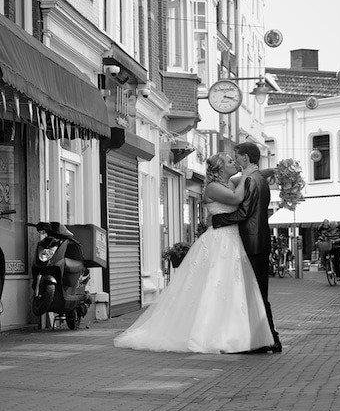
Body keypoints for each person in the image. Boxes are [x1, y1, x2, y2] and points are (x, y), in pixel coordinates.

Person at [113, 153, 275, 354]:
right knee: (214, 286)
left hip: (233, 240)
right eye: (230, 161)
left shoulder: (229, 183)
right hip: (219, 241)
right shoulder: (213, 188)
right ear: (220, 168)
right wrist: (246, 174)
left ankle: (235, 334)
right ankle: (209, 334)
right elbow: (237, 198)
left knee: (232, 288)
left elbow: (247, 181)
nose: (235, 163)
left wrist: (272, 171)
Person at [212, 142, 281, 353]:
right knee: (258, 293)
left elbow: (244, 213)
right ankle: (266, 340)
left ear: (246, 158)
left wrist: (218, 220)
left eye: (237, 156)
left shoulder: (251, 180)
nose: (236, 160)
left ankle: (268, 341)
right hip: (258, 241)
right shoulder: (258, 178)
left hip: (253, 242)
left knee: (256, 294)